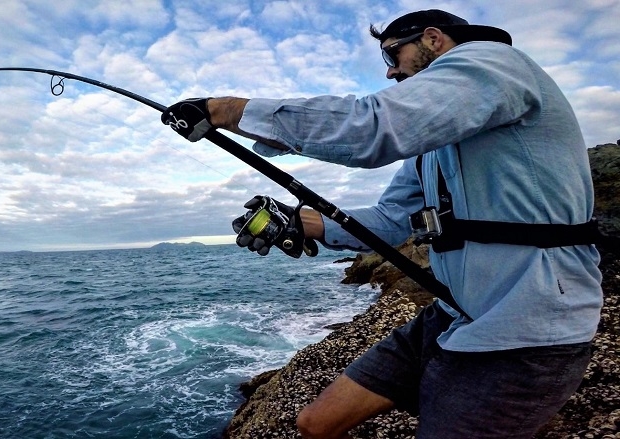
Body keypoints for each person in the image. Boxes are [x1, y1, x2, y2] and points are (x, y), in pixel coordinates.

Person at [161, 9, 603, 439]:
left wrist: (227, 110)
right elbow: (390, 221)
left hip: (528, 326)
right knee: (315, 424)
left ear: (433, 39)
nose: (390, 73)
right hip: (454, 311)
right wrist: (297, 222)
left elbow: (372, 127)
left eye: (393, 56)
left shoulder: (493, 62)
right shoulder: (435, 145)